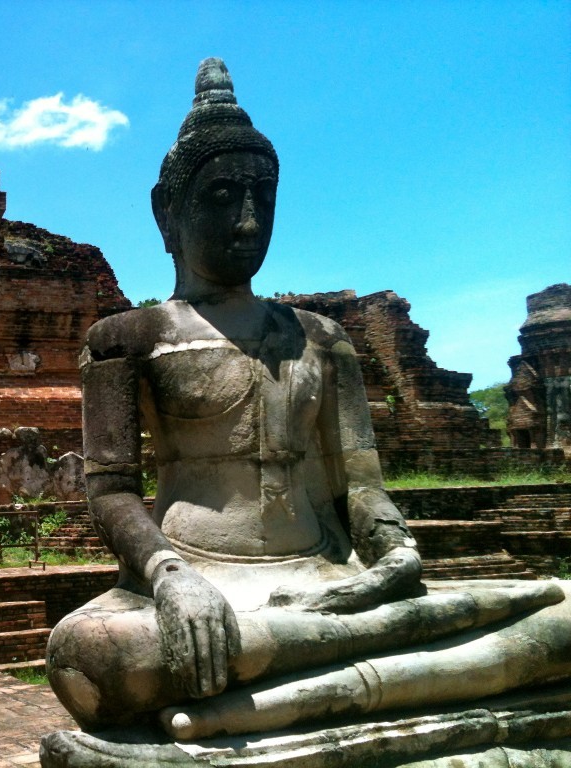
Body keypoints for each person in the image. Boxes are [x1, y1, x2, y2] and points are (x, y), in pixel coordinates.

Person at [45, 57, 570, 740]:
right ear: (167, 209)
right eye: (223, 195)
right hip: (194, 587)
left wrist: (395, 549)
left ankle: (264, 701)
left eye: (263, 196)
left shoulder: (322, 339)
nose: (248, 218)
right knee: (96, 660)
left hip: (336, 582)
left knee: (559, 618)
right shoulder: (127, 340)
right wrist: (171, 576)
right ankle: (360, 687)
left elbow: (361, 485)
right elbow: (111, 491)